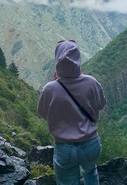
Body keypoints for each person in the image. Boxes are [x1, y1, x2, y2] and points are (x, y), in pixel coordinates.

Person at [37, 40, 106, 185]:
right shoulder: (92, 82)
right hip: (91, 144)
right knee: (90, 172)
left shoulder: (49, 89)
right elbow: (100, 104)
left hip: (65, 147)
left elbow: (42, 112)